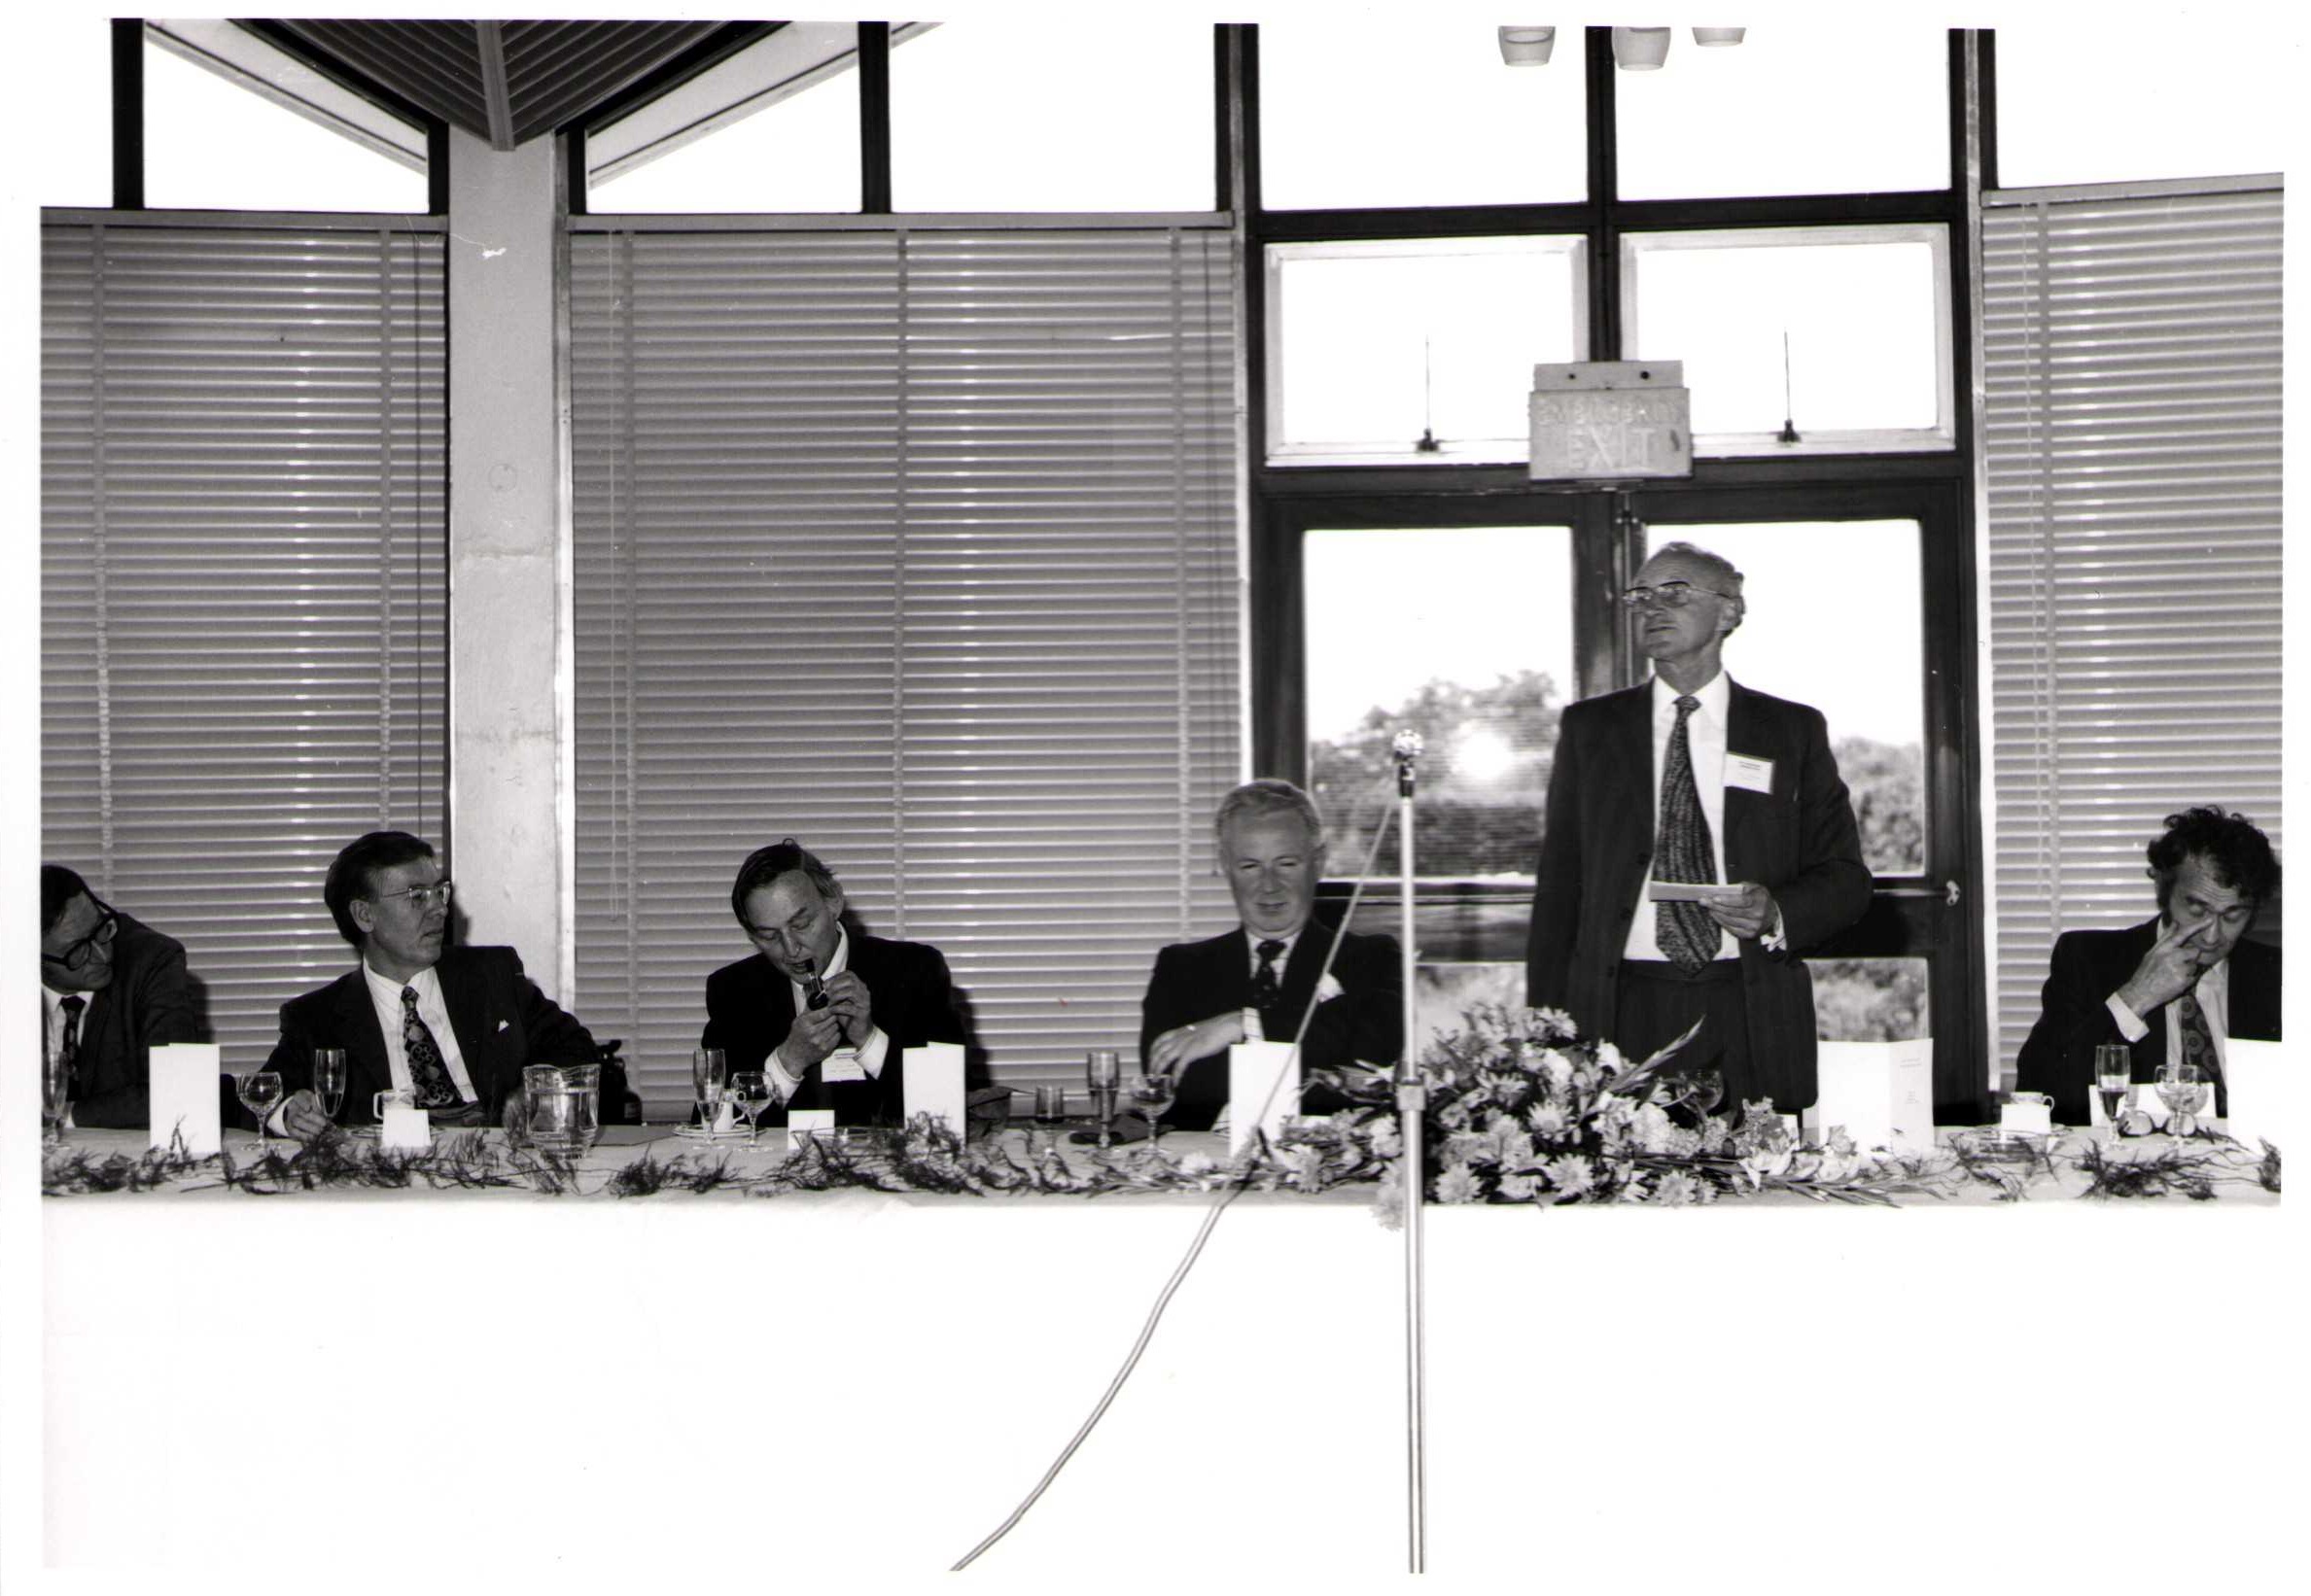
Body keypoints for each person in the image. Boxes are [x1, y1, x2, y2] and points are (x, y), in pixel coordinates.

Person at [1525, 541, 1872, 1116]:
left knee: (1753, 1170)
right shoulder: (1591, 729)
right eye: (1640, 597)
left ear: (1729, 611)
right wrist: (1546, 1036)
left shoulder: (1790, 731)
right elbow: (1559, 891)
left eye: (1675, 592)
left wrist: (1776, 911)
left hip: (1746, 1006)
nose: (1652, 608)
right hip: (1619, 1006)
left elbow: (1845, 878)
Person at [266, 831, 600, 1141]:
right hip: (391, 1175)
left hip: (500, 1163)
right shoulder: (316, 1018)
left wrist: (538, 1090)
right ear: (364, 915)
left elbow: (576, 1048)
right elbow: (261, 1095)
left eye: (440, 891)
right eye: (417, 896)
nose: (440, 908)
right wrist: (289, 1113)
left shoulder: (491, 975)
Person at [1139, 780, 1402, 1133]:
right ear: (1225, 866)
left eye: (1286, 863)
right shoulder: (1180, 967)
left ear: (1318, 861)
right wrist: (1322, 1047)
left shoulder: (1373, 957)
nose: (1269, 885)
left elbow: (1370, 1065)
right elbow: (1177, 1089)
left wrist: (1244, 1024)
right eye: (1250, 866)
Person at [2015, 807, 2280, 1125]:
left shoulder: (2279, 974)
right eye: (2197, 909)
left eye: (2233, 915)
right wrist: (2136, 996)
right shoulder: (2087, 959)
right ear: (2164, 891)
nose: (2212, 936)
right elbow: (2038, 1094)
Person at [702, 839, 966, 1127]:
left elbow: (948, 1110)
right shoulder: (733, 990)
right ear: (752, 936)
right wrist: (787, 1062)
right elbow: (711, 1126)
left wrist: (869, 1040)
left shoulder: (916, 971)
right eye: (769, 936)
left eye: (801, 925)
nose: (791, 948)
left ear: (834, 902)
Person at [39, 865, 207, 1129]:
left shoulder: (153, 961)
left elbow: (177, 1092)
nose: (103, 955)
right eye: (78, 951)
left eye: (100, 929)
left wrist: (61, 1115)